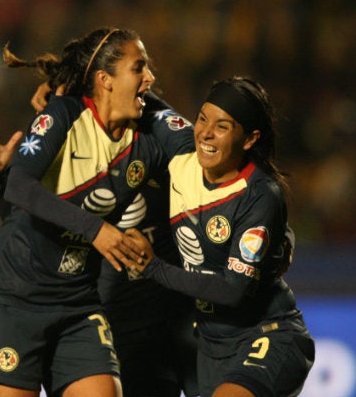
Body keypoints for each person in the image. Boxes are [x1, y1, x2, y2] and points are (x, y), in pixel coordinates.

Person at [0, 28, 175, 397]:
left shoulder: (147, 143)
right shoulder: (63, 114)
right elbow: (20, 188)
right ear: (104, 80)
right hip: (15, 297)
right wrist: (96, 230)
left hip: (77, 302)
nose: (150, 78)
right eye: (139, 68)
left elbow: (196, 154)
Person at [125, 77, 315, 397]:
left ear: (250, 138)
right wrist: (66, 82)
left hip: (265, 335)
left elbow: (231, 290)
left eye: (223, 126)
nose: (205, 133)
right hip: (210, 347)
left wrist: (152, 267)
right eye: (202, 119)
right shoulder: (184, 153)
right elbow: (139, 99)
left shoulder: (260, 194)